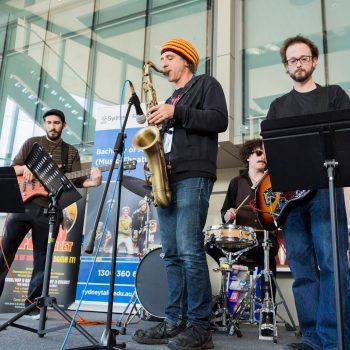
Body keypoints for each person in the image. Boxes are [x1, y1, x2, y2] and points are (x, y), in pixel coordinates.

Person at [133, 38, 228, 350]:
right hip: (168, 178)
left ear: (187, 60)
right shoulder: (171, 97)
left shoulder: (205, 84)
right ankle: (174, 321)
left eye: (170, 57)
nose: (164, 64)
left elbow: (219, 120)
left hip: (195, 175)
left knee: (189, 251)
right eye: (162, 59)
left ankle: (201, 328)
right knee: (171, 254)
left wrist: (175, 112)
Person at [266, 35, 350, 350]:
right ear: (286, 67)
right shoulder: (277, 106)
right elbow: (274, 152)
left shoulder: (335, 96)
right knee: (302, 271)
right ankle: (312, 337)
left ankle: (334, 339)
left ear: (313, 61)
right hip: (290, 199)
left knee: (332, 265)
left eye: (303, 58)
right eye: (292, 60)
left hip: (325, 191)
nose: (298, 64)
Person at [0, 109, 102, 318]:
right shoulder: (32, 143)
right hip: (22, 205)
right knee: (3, 253)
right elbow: (14, 168)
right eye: (49, 122)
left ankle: (33, 307)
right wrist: (25, 168)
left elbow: (78, 182)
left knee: (43, 259)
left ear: (63, 125)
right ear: (44, 124)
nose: (52, 126)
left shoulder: (70, 152)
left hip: (49, 210)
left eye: (56, 123)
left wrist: (95, 181)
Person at [219, 138, 279, 336]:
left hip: (266, 240)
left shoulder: (273, 181)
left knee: (268, 266)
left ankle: (267, 317)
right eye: (258, 153)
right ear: (248, 157)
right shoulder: (237, 183)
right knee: (227, 261)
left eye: (265, 153)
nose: (263, 157)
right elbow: (225, 212)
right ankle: (233, 314)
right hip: (243, 242)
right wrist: (228, 215)